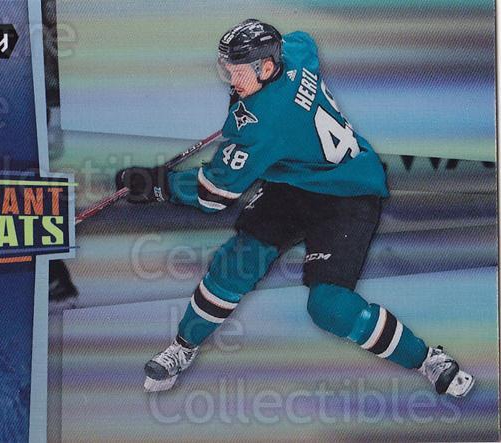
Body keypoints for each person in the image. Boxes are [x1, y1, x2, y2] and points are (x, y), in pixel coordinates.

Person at [116, 19, 474, 396]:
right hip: (294, 183)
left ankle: (427, 359)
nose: (231, 79)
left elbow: (213, 193)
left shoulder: (261, 126)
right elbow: (305, 41)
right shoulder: (294, 53)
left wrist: (157, 185)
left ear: (267, 67)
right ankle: (183, 346)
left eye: (239, 71)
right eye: (228, 69)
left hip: (348, 192)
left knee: (330, 307)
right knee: (236, 263)